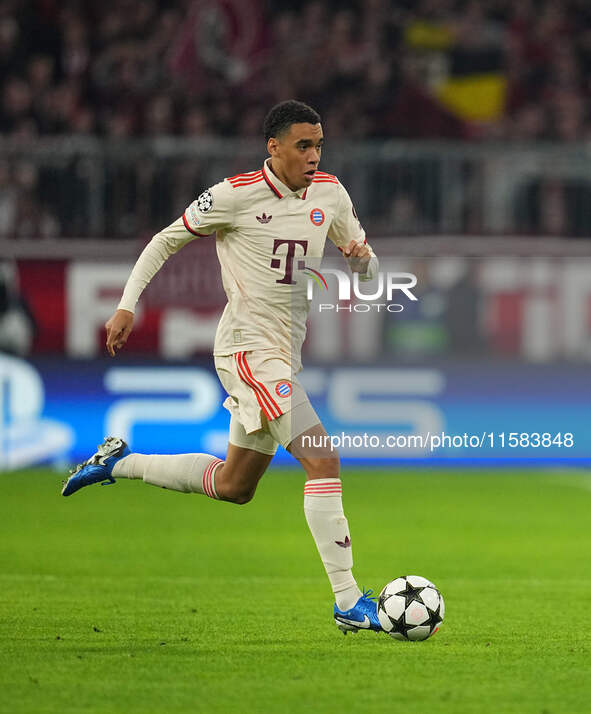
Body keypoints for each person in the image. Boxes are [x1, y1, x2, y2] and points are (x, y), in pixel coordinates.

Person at [61, 100, 381, 634]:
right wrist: (126, 303)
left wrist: (361, 259)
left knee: (235, 486)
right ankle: (348, 601)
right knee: (322, 459)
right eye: (304, 145)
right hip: (247, 350)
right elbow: (166, 240)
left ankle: (117, 463)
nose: (314, 154)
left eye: (319, 144)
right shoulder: (234, 196)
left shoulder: (332, 193)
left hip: (283, 351)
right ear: (273, 147)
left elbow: (368, 278)